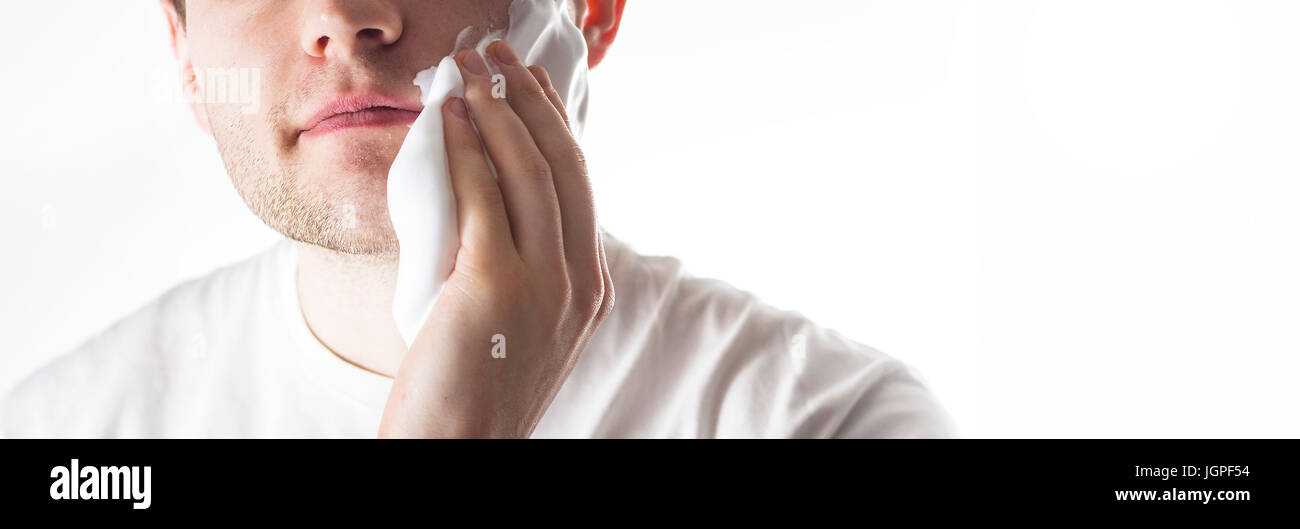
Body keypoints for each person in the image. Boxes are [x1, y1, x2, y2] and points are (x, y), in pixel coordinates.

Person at [0, 0, 956, 438]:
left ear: (590, 14)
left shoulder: (830, 422)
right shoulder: (59, 435)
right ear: (185, 56)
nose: (339, 16)